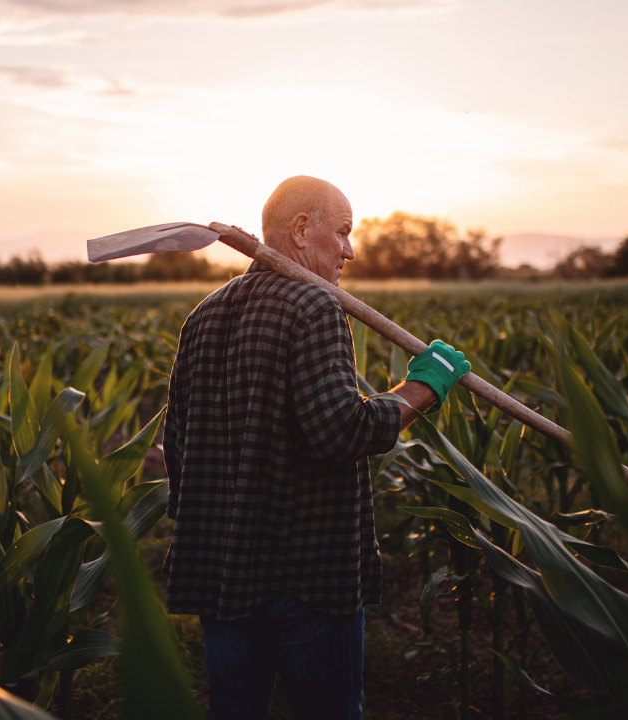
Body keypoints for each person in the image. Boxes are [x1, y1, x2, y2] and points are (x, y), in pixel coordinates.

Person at [162, 176, 472, 720]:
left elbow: (179, 448)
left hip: (223, 570)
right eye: (345, 232)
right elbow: (341, 431)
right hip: (306, 575)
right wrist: (423, 387)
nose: (351, 251)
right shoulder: (314, 305)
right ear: (302, 231)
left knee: (235, 711)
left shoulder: (203, 316)